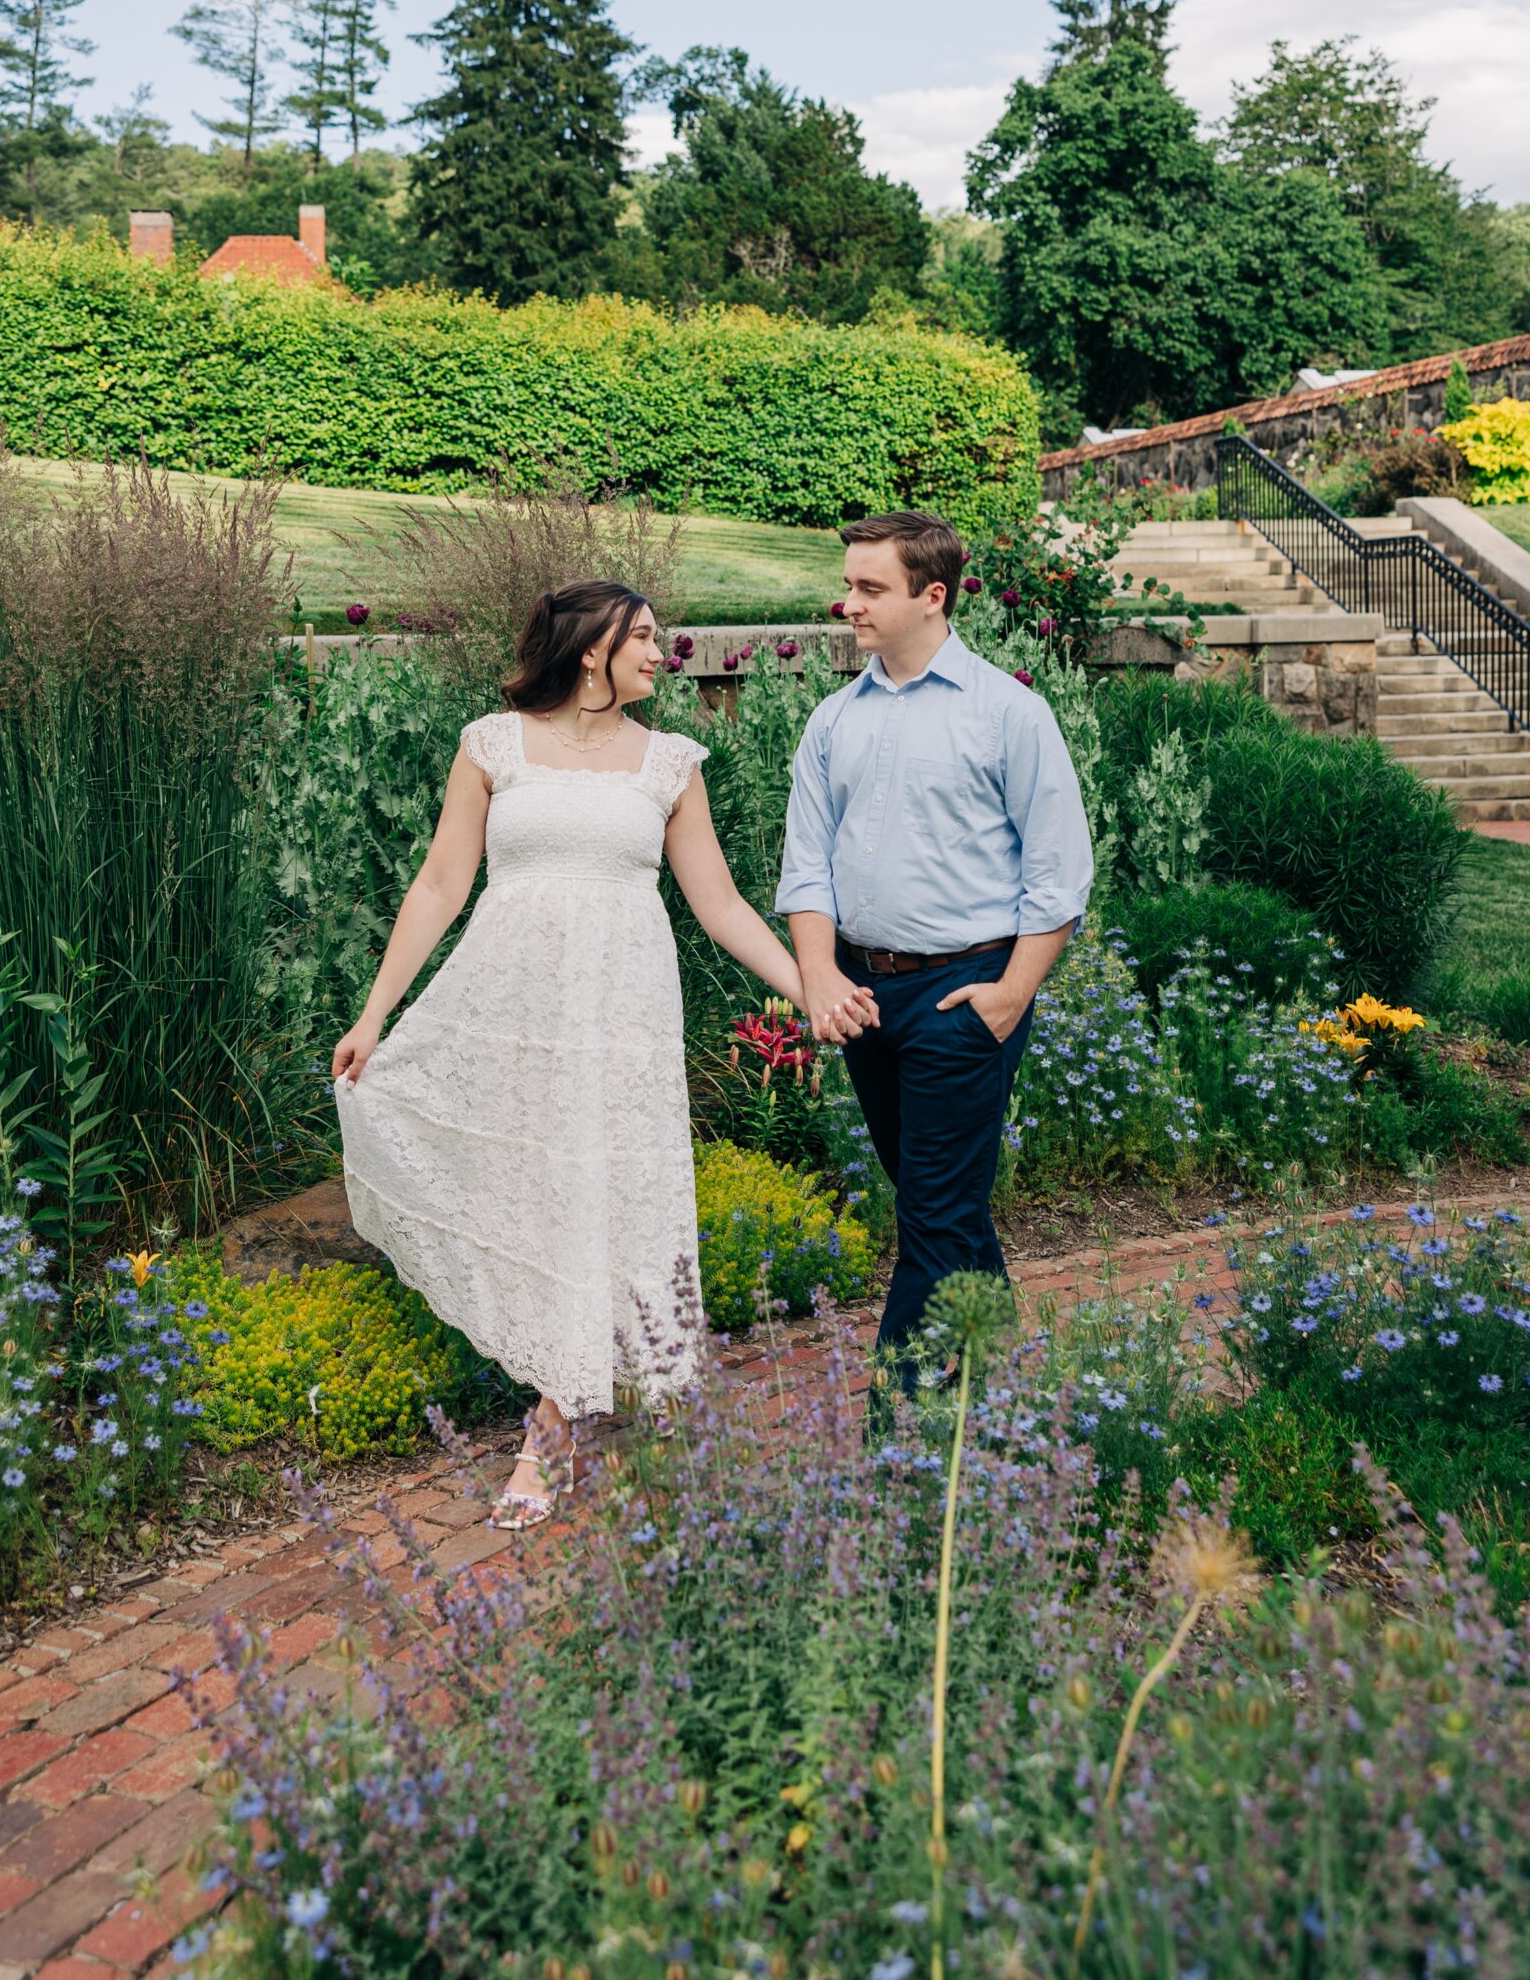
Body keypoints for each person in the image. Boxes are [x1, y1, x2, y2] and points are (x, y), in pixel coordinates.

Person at [332, 579, 875, 1528]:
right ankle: (566, 1375)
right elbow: (438, 884)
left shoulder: (668, 762)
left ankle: (549, 1429)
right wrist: (377, 1013)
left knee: (603, 1186)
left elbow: (721, 906)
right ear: (592, 650)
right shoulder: (491, 744)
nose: (662, 654)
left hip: (620, 1011)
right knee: (531, 1187)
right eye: (646, 640)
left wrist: (811, 989)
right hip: (510, 1006)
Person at [775, 510, 1093, 1402]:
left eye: (870, 588)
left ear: (932, 595)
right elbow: (805, 869)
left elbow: (1058, 875)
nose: (848, 603)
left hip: (966, 994)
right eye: (848, 585)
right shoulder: (833, 720)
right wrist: (820, 975)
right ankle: (997, 1368)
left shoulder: (1007, 713)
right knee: (938, 1203)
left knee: (934, 1213)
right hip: (862, 994)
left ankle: (896, 1424)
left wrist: (1009, 996)